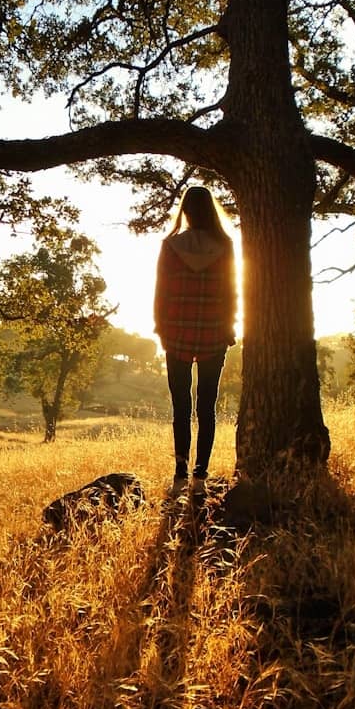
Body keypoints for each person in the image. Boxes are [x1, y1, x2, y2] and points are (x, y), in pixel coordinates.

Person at [154, 186, 237, 499]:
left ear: (186, 211)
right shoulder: (225, 246)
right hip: (214, 333)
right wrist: (229, 326)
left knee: (181, 408)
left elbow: (161, 291)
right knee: (207, 407)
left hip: (176, 332)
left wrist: (161, 328)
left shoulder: (171, 245)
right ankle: (200, 476)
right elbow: (231, 290)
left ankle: (179, 474)